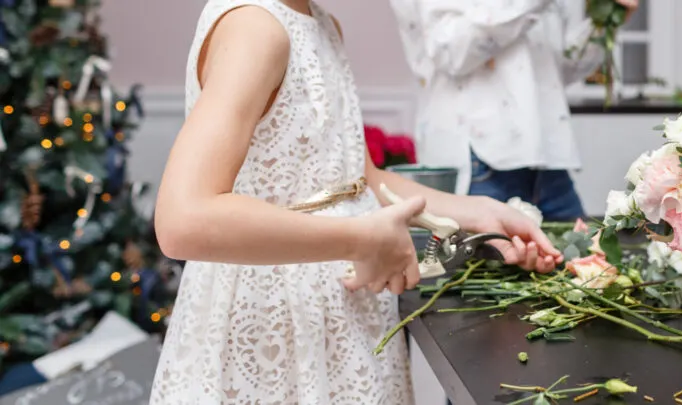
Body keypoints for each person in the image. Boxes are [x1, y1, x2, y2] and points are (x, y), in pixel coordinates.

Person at [149, 0, 563, 403]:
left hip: (341, 319)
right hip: (277, 324)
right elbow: (183, 220)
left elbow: (356, 179)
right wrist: (359, 239)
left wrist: (476, 211)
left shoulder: (322, 24)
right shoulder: (255, 28)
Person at [389, 0, 638, 222]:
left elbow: (561, 69)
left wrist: (603, 23)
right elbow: (451, 53)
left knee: (587, 268)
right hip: (481, 164)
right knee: (486, 272)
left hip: (547, 160)